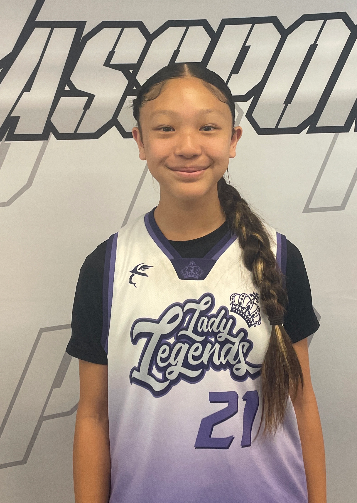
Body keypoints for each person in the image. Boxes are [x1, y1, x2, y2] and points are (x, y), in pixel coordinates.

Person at [67, 62, 326, 503]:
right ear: (140, 141)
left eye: (208, 127)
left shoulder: (279, 256)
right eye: (166, 129)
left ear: (233, 139)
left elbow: (301, 402)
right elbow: (93, 416)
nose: (188, 147)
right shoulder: (107, 265)